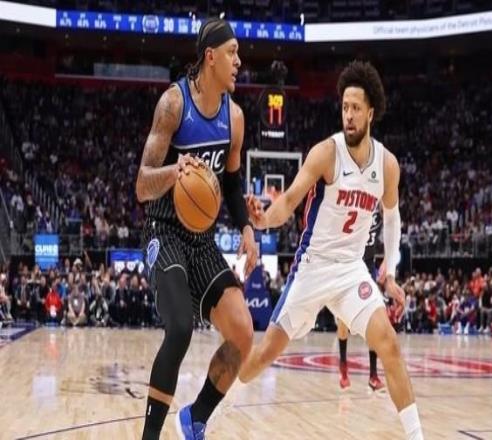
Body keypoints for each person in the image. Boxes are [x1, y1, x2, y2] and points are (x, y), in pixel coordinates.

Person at [241, 60, 423, 439]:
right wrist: (262, 220)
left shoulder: (387, 165)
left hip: (351, 269)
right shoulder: (326, 153)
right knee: (264, 354)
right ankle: (211, 408)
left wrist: (389, 272)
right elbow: (288, 201)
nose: (349, 115)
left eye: (356, 108)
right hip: (313, 266)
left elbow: (392, 219)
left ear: (370, 113)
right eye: (344, 107)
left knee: (389, 344)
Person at [135, 18, 258, 440]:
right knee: (180, 328)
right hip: (164, 230)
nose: (239, 62)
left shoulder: (235, 118)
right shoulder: (174, 104)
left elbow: (232, 183)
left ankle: (196, 417)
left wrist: (246, 228)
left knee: (243, 333)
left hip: (202, 240)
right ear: (210, 57)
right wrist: (175, 172)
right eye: (232, 53)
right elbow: (141, 185)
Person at [337, 207, 385, 391]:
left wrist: (388, 260)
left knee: (373, 320)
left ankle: (373, 375)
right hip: (348, 264)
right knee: (343, 320)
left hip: (368, 266)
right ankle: (343, 366)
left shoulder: (379, 212)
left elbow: (392, 229)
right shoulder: (353, 206)